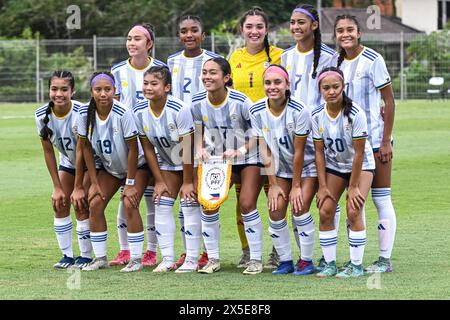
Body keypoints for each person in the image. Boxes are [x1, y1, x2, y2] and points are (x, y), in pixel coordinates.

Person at [71, 71, 166, 272]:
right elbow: (85, 148)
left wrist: (130, 184)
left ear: (115, 91)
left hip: (137, 166)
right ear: (91, 92)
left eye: (108, 89)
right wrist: (93, 183)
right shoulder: (83, 114)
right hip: (110, 168)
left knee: (129, 203)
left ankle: (136, 259)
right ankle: (100, 258)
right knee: (94, 203)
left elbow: (133, 149)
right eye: (98, 90)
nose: (103, 94)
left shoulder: (123, 113)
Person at [280, 3, 341, 274]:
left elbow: (334, 95)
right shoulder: (285, 57)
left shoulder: (329, 57)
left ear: (314, 25)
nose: (296, 27)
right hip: (293, 138)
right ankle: (303, 256)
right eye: (292, 22)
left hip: (322, 137)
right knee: (298, 203)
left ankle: (330, 256)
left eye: (301, 22)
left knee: (328, 200)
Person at [334, 15, 396, 273]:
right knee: (351, 200)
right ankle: (353, 258)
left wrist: (385, 141)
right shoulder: (335, 61)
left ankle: (384, 259)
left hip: (373, 141)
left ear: (359, 32)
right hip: (349, 145)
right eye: (340, 31)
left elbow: (389, 102)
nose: (345, 34)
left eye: (350, 29)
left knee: (380, 199)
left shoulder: (373, 59)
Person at [192, 57, 265, 275]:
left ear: (226, 77)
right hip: (218, 161)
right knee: (208, 204)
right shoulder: (197, 102)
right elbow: (197, 131)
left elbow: (258, 134)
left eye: (213, 73)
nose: (207, 76)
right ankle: (213, 258)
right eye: (205, 72)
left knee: (246, 203)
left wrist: (240, 150)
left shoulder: (241, 101)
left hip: (248, 158)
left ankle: (255, 259)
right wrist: (199, 148)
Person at [228, 6, 284, 269]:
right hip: (242, 139)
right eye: (249, 26)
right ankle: (247, 250)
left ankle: (276, 251)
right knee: (243, 199)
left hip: (272, 136)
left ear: (266, 29)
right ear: (242, 30)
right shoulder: (233, 57)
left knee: (273, 195)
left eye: (259, 26)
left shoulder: (278, 56)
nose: (254, 31)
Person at [167, 15, 221, 269]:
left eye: (194, 30)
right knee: (184, 195)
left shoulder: (211, 60)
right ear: (179, 35)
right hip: (181, 135)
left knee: (204, 196)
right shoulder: (172, 61)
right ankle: (190, 251)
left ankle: (208, 254)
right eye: (184, 31)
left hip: (205, 136)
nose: (189, 35)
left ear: (203, 34)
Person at [110, 23, 166, 267]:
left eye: (138, 39)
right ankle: (124, 249)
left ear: (149, 44)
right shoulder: (117, 70)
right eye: (129, 38)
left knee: (151, 197)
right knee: (127, 195)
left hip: (152, 141)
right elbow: (114, 108)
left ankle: (151, 251)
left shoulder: (161, 69)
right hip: (127, 144)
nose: (132, 43)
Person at [133, 66, 199, 273]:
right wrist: (159, 180)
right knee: (161, 201)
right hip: (168, 163)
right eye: (146, 83)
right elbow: (148, 149)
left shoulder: (179, 109)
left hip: (193, 163)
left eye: (154, 84)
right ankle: (168, 258)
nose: (148, 88)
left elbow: (187, 147)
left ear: (167, 87)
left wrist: (188, 182)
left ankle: (192, 258)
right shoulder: (139, 111)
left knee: (189, 203)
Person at [249, 64, 313, 275]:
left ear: (287, 85)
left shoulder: (300, 110)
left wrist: (295, 186)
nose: (272, 87)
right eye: (268, 83)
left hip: (306, 167)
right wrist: (274, 185)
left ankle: (306, 261)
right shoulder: (256, 110)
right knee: (275, 210)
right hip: (280, 169)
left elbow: (300, 151)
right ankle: (285, 261)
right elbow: (264, 149)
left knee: (299, 206)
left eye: (278, 82)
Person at [312, 67, 375, 278]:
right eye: (326, 87)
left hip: (361, 166)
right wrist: (321, 187)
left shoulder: (355, 114)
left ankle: (356, 265)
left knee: (353, 210)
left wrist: (354, 186)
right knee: (325, 210)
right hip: (336, 167)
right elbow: (319, 153)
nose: (331, 91)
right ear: (320, 89)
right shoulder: (316, 115)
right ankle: (330, 264)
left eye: (335, 87)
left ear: (343, 87)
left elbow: (358, 154)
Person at [35, 70, 92, 269]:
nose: (59, 94)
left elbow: (83, 150)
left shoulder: (82, 112)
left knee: (80, 202)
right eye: (54, 89)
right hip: (68, 163)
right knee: (59, 203)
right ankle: (67, 256)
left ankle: (86, 256)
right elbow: (49, 152)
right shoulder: (41, 115)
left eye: (64, 89)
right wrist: (57, 187)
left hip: (91, 164)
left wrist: (78, 186)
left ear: (73, 91)